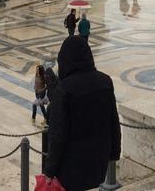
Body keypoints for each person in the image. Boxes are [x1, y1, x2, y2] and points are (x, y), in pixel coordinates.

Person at [44, 36, 121, 191]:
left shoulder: (64, 89)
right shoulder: (105, 81)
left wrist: (49, 171)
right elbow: (114, 121)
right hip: (99, 160)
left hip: (72, 166)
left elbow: (58, 135)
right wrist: (114, 153)